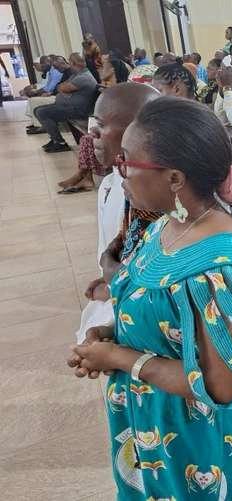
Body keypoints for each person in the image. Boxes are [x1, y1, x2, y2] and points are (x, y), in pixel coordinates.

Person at [67, 96, 232, 501]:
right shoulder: (166, 226)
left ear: (175, 178)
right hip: (162, 416)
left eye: (127, 163)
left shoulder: (217, 269)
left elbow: (220, 386)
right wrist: (112, 332)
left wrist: (119, 357)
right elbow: (165, 316)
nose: (119, 173)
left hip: (201, 435)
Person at [73, 83, 162, 341]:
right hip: (121, 299)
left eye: (101, 125)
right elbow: (121, 248)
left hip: (141, 318)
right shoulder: (114, 182)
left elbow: (162, 283)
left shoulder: (152, 197)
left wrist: (115, 287)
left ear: (139, 133)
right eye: (94, 123)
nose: (92, 133)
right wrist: (108, 277)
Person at [57, 54, 132, 194]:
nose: (100, 69)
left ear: (113, 70)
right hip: (106, 125)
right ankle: (85, 176)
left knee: (88, 139)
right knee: (87, 138)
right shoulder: (105, 86)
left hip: (120, 130)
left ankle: (84, 176)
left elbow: (119, 116)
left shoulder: (124, 89)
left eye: (104, 66)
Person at [34, 52, 99, 153]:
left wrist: (63, 89)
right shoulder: (77, 75)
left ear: (73, 63)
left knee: (42, 112)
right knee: (37, 110)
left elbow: (62, 87)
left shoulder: (83, 77)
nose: (69, 65)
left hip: (78, 110)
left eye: (70, 62)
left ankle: (60, 143)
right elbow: (60, 86)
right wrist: (63, 89)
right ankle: (54, 139)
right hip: (70, 107)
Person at [23, 55, 65, 133]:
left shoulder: (55, 71)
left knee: (35, 100)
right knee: (33, 98)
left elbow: (50, 88)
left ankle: (41, 126)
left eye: (42, 64)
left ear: (48, 62)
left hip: (58, 95)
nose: (42, 67)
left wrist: (36, 92)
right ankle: (37, 124)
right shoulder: (50, 71)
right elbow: (47, 86)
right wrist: (37, 92)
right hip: (54, 93)